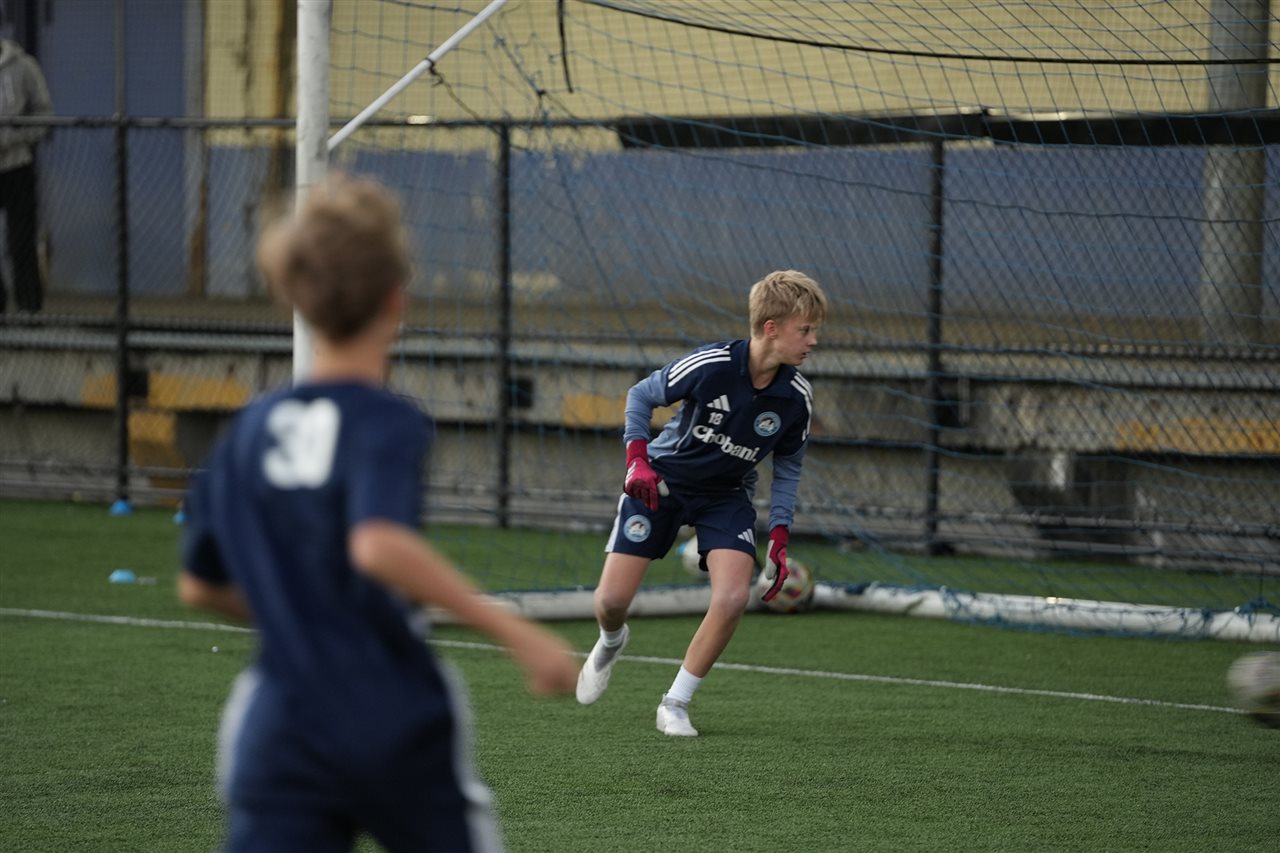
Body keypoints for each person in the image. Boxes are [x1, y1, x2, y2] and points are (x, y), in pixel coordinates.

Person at [177, 172, 579, 852]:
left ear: (295, 297)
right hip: (390, 712)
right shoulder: (386, 421)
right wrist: (517, 632)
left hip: (281, 722)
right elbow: (377, 544)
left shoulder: (248, 428)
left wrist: (301, 610)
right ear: (398, 298)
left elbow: (199, 585)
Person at [576, 269, 828, 736]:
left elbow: (789, 468)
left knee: (732, 597)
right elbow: (641, 395)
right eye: (806, 329)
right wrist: (637, 462)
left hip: (725, 496)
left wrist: (779, 534)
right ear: (771, 328)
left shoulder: (796, 398)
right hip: (661, 483)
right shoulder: (711, 365)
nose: (813, 341)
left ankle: (675, 703)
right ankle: (611, 640)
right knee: (611, 601)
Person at [0, 33, 52, 313]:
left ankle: (29, 310)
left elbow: (44, 114)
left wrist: (14, 138)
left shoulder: (23, 66)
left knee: (21, 240)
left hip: (17, 166)